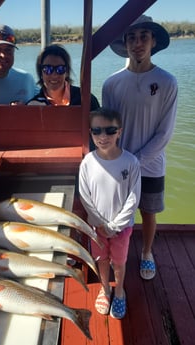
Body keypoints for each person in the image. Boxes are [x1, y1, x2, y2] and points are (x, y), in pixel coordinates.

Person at [102, 15, 178, 280]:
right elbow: (107, 127)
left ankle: (147, 252)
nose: (137, 43)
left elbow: (165, 133)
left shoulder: (168, 81)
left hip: (152, 164)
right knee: (118, 215)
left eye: (144, 36)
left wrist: (137, 160)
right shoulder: (111, 83)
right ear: (125, 43)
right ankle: (117, 255)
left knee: (148, 212)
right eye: (131, 37)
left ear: (153, 41)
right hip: (119, 164)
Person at [79, 107, 141, 318]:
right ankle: (105, 288)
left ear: (120, 132)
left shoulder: (131, 162)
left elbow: (133, 198)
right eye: (96, 131)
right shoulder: (87, 162)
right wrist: (99, 223)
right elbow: (84, 196)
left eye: (109, 130)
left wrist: (114, 226)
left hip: (121, 229)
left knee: (120, 262)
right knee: (102, 260)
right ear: (90, 132)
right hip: (96, 228)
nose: (103, 136)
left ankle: (120, 289)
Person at [26, 44, 100, 109]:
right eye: (48, 69)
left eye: (60, 69)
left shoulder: (87, 100)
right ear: (40, 72)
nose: (54, 75)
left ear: (67, 72)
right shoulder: (32, 106)